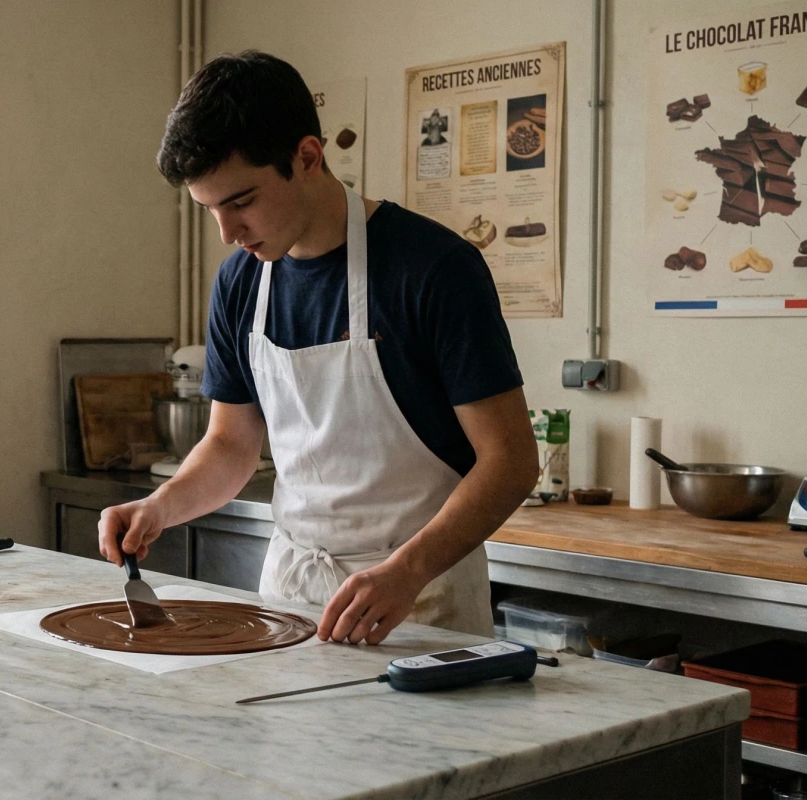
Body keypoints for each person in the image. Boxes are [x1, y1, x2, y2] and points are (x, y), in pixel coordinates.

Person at [98, 51, 538, 646]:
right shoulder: (240, 282)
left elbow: (510, 461)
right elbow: (231, 445)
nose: (227, 233)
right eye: (210, 210)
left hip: (419, 601)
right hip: (291, 594)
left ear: (307, 157)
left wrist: (408, 571)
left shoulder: (434, 269)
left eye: (241, 202)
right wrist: (161, 506)